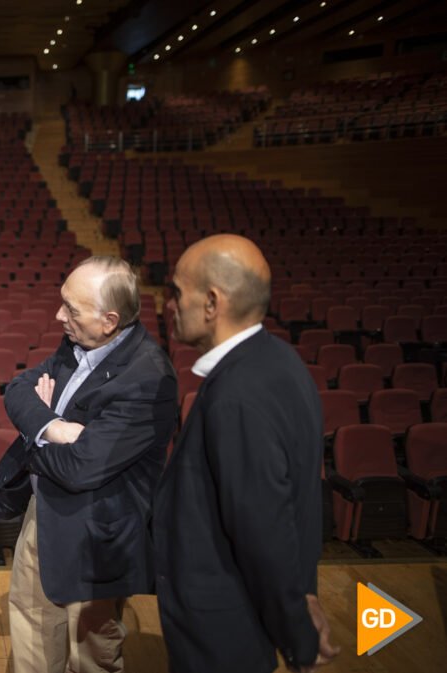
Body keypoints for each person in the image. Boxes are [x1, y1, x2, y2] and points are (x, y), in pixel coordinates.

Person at [154, 234, 340, 673]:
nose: (169, 304)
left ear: (212, 303)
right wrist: (304, 593)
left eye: (178, 292)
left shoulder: (237, 395)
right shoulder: (281, 362)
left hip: (222, 629)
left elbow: (264, 529)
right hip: (242, 621)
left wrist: (298, 637)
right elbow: (301, 498)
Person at [0, 256, 177, 673]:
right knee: (31, 619)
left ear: (109, 320)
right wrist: (54, 427)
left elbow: (82, 468)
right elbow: (20, 389)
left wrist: (33, 438)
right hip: (43, 513)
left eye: (71, 309)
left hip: (95, 535)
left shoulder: (148, 377)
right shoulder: (78, 342)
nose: (59, 315)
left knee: (90, 651)